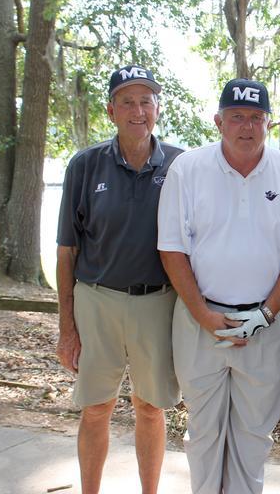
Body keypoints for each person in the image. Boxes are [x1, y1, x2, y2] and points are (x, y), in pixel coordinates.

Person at [157, 78, 280, 494]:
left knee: (253, 436)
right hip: (200, 319)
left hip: (267, 322)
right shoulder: (188, 169)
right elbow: (172, 249)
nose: (247, 126)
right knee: (203, 433)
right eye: (237, 117)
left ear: (269, 124)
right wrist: (203, 315)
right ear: (218, 122)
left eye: (256, 118)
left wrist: (262, 317)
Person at [55, 65, 183, 494]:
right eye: (127, 102)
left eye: (146, 101)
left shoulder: (181, 165)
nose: (137, 111)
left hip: (158, 302)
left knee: (150, 408)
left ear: (157, 109)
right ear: (111, 111)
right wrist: (67, 328)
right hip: (97, 301)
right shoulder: (85, 165)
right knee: (96, 408)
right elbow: (67, 251)